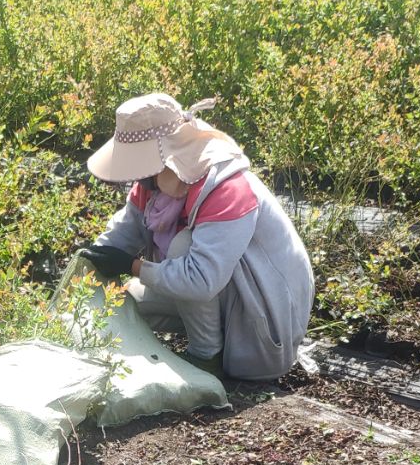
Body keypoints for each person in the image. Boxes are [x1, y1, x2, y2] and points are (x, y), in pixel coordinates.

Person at [79, 93, 313, 380]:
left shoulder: (227, 188)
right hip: (220, 303)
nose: (137, 179)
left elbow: (202, 281)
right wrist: (88, 264)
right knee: (122, 305)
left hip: (261, 327)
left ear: (168, 157)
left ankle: (205, 358)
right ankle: (209, 343)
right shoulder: (156, 186)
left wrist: (132, 266)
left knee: (181, 246)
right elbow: (123, 233)